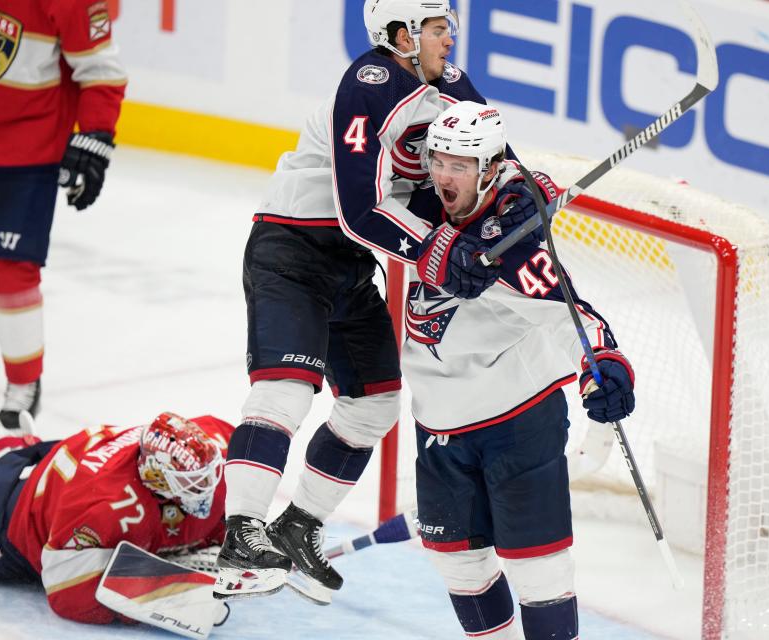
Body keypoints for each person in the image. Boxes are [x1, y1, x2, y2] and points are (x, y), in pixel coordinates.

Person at [215, 0, 551, 604]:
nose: (449, 36)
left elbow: (490, 155)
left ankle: (297, 528)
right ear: (400, 34)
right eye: (436, 27)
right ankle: (242, 534)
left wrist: (522, 193)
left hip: (348, 264)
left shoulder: (446, 84)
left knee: (374, 405)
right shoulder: (371, 82)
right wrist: (439, 250)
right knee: (288, 389)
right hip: (292, 247)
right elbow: (362, 208)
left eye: (449, 23)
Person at [405, 102, 637, 640]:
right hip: (438, 424)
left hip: (517, 421)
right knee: (458, 564)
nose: (443, 173)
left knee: (540, 569)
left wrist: (602, 364)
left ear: (489, 168)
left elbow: (568, 313)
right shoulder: (418, 209)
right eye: (438, 159)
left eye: (459, 164)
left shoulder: (516, 244)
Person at [0, 1, 127, 428]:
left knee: (10, 272)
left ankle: (23, 386)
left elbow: (102, 69)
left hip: (27, 154)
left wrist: (97, 135)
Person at [0, 408, 230, 624]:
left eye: (206, 478)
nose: (206, 489)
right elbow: (65, 592)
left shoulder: (209, 442)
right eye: (192, 483)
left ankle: (3, 449)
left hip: (64, 462)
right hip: (6, 515)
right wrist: (168, 595)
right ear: (156, 476)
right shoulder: (103, 508)